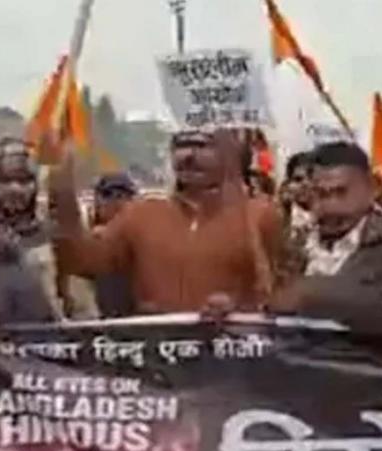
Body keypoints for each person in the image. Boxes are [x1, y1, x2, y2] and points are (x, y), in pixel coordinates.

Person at [51, 129, 283, 314]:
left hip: (238, 353)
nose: (189, 155)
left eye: (203, 145)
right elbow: (82, 260)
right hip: (159, 351)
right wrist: (62, 190)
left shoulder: (261, 215)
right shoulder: (142, 213)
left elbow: (285, 293)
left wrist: (238, 309)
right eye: (181, 145)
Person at [267, 142, 382, 337]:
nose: (331, 207)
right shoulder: (295, 243)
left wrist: (313, 292)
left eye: (341, 193)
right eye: (321, 194)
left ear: (371, 188)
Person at [0, 137, 86, 321]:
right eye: (4, 181)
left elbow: (75, 298)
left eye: (24, 181)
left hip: (43, 333)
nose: (15, 189)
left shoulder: (52, 234)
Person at [89, 172, 138, 318]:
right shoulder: (88, 242)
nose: (116, 202)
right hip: (101, 321)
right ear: (97, 202)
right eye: (108, 195)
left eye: (123, 195)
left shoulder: (146, 239)